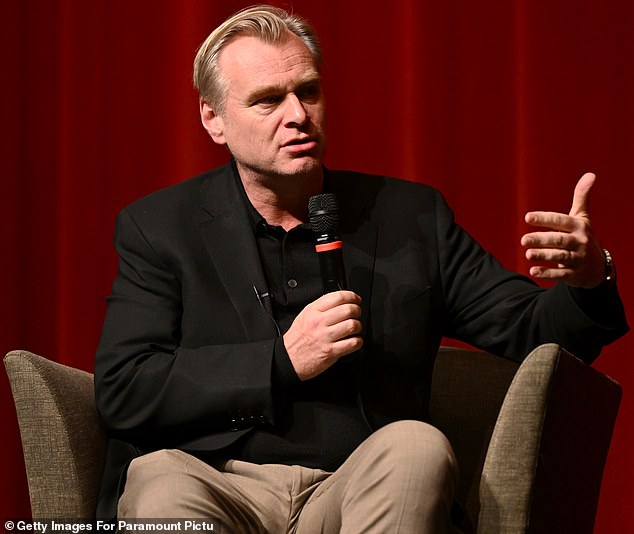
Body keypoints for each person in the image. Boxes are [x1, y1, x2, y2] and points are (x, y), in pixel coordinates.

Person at [94, 5, 628, 532]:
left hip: (357, 484)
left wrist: (588, 280)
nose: (297, 114)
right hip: (214, 482)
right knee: (157, 479)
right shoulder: (161, 228)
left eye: (308, 91)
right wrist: (280, 360)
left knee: (416, 445)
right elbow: (125, 388)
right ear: (214, 119)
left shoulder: (409, 218)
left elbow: (532, 332)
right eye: (267, 101)